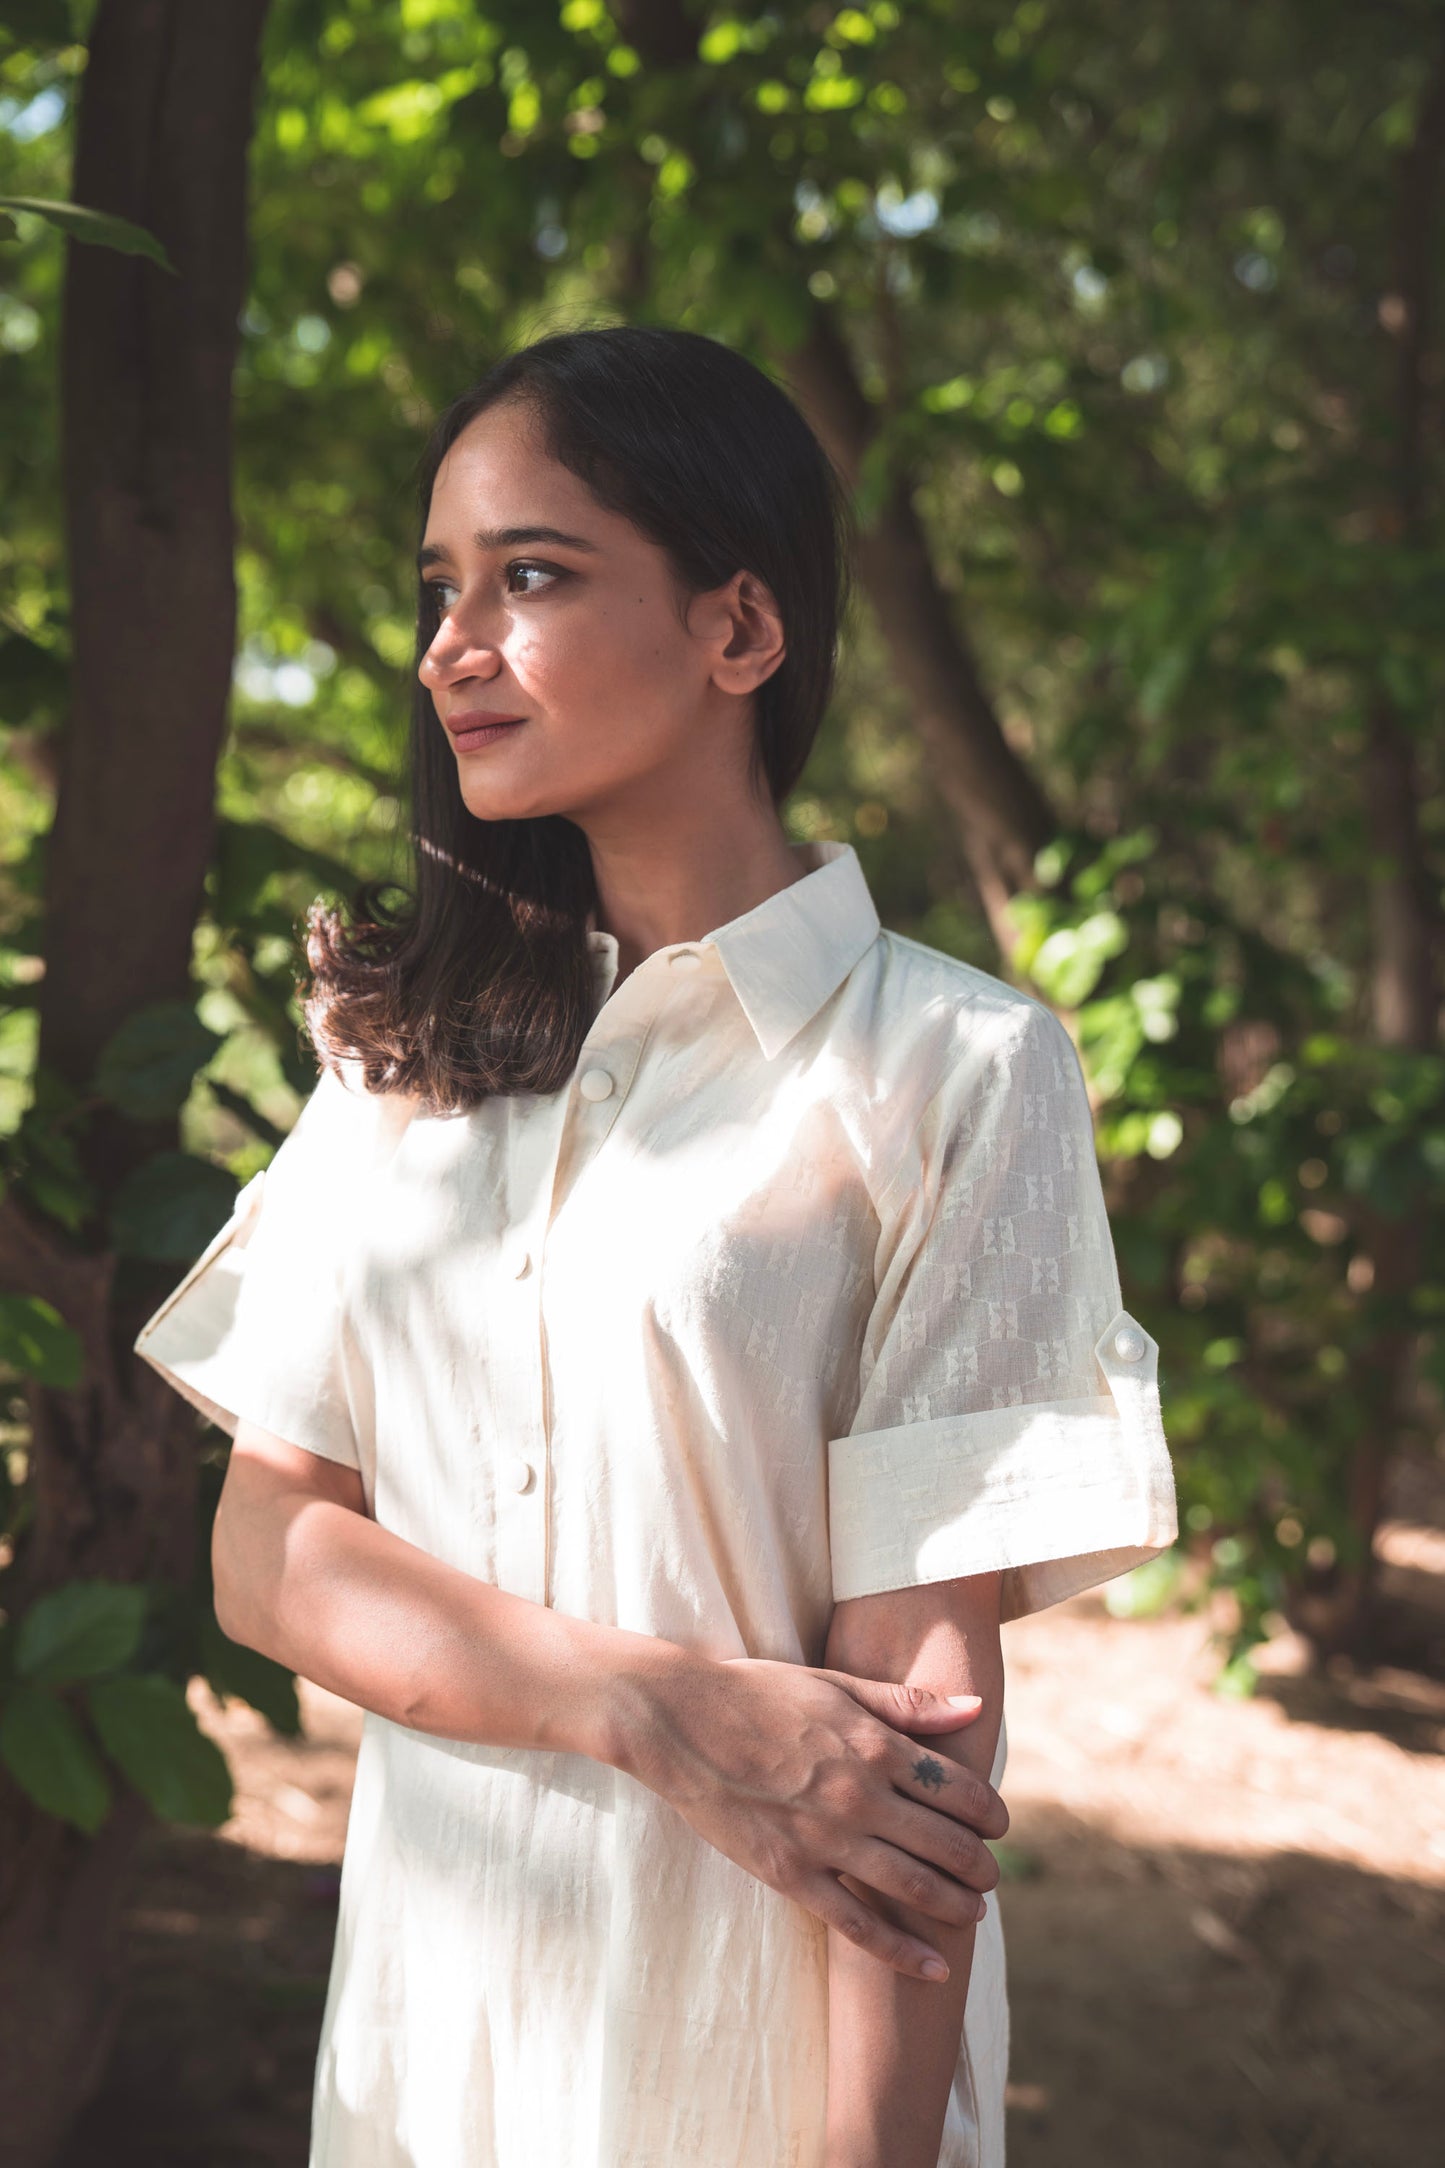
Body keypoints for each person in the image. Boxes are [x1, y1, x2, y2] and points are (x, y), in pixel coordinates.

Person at [134, 324, 1177, 2168]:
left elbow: (919, 1751)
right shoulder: (403, 1063)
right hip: (426, 2064)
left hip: (746, 2068)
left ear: (738, 632)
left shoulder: (953, 1068)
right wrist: (651, 1707)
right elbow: (267, 1545)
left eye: (532, 575)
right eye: (441, 587)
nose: (456, 642)